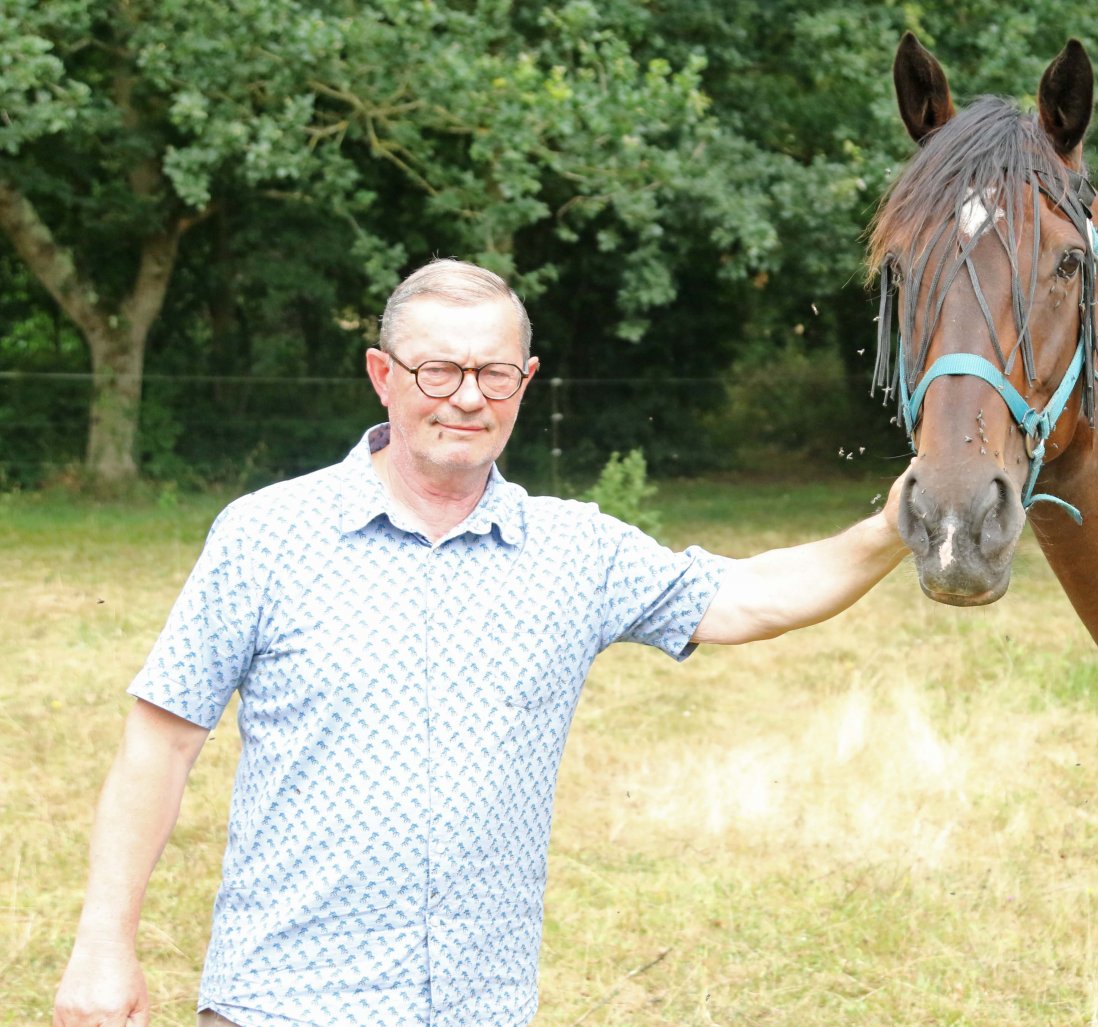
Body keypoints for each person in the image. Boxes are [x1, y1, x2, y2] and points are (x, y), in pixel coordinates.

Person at [53, 258, 909, 1027]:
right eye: (438, 369)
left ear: (525, 382)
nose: (467, 396)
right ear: (382, 375)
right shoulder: (266, 536)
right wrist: (102, 944)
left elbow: (750, 597)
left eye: (494, 372)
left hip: (480, 1006)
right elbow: (160, 743)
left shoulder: (575, 551)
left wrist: (896, 525)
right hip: (284, 1001)